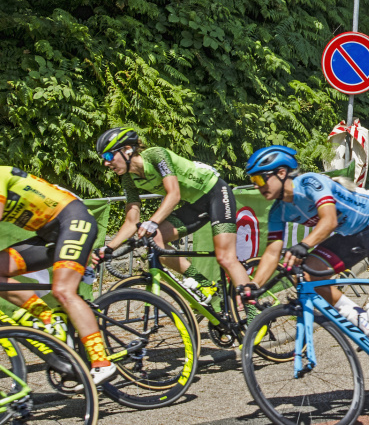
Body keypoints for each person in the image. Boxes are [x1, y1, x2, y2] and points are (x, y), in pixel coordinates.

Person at [244, 145, 369, 389]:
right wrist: (254, 285)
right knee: (308, 275)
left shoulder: (310, 183)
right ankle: (362, 319)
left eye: (260, 179)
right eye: (253, 181)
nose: (257, 186)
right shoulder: (278, 211)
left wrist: (304, 245)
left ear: (281, 173)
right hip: (348, 235)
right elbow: (272, 251)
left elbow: (329, 220)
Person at [93, 128, 259, 319]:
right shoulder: (129, 179)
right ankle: (205, 286)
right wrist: (109, 248)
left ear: (127, 150)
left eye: (109, 155)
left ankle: (254, 317)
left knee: (226, 257)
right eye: (103, 158)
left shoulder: (156, 155)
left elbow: (174, 194)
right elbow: (132, 221)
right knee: (156, 241)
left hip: (215, 193)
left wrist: (152, 222)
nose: (106, 163)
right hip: (194, 205)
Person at [0, 167, 117, 385]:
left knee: (63, 290)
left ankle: (102, 362)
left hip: (73, 221)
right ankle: (48, 319)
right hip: (50, 235)